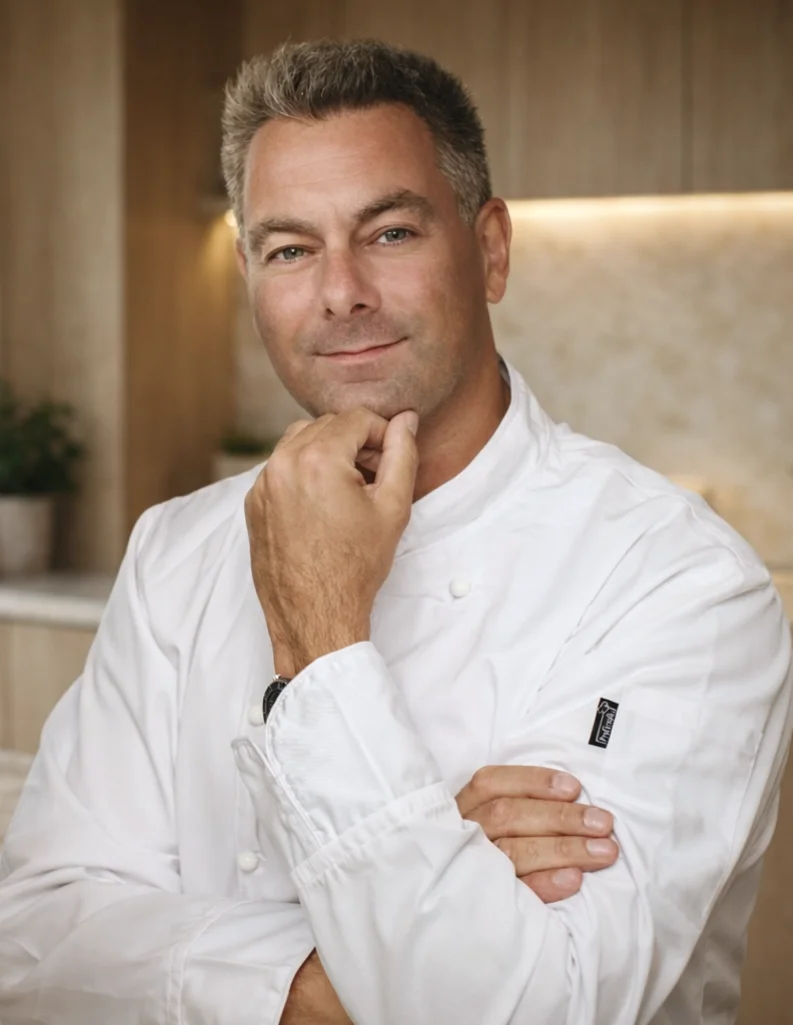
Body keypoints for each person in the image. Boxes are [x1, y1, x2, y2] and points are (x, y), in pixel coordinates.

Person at [0, 37, 791, 1025]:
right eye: (291, 249)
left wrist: (321, 636)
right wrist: (332, 970)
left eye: (389, 233)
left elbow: (531, 1007)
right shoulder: (175, 549)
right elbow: (32, 940)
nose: (340, 294)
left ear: (489, 248)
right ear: (250, 273)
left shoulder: (676, 581)